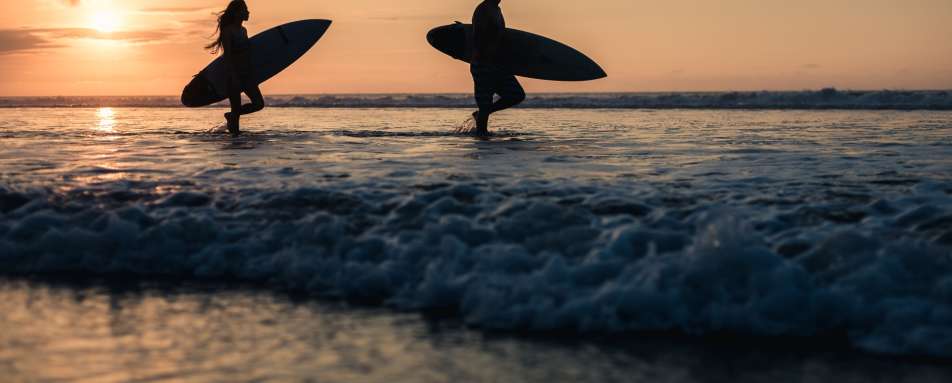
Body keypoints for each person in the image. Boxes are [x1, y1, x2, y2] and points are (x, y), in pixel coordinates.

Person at [206, 0, 264, 136]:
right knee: (236, 116)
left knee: (258, 104)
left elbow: (247, 54)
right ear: (237, 13)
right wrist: (233, 76)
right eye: (245, 9)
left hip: (247, 74)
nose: (248, 12)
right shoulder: (228, 31)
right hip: (233, 75)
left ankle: (231, 115)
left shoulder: (244, 30)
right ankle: (235, 145)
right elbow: (228, 56)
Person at [470, 0, 525, 136]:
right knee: (484, 105)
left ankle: (482, 116)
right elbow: (479, 36)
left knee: (516, 95)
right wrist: (485, 58)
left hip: (497, 65)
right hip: (483, 63)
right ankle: (483, 142)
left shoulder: (496, 9)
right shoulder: (484, 9)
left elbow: (499, 36)